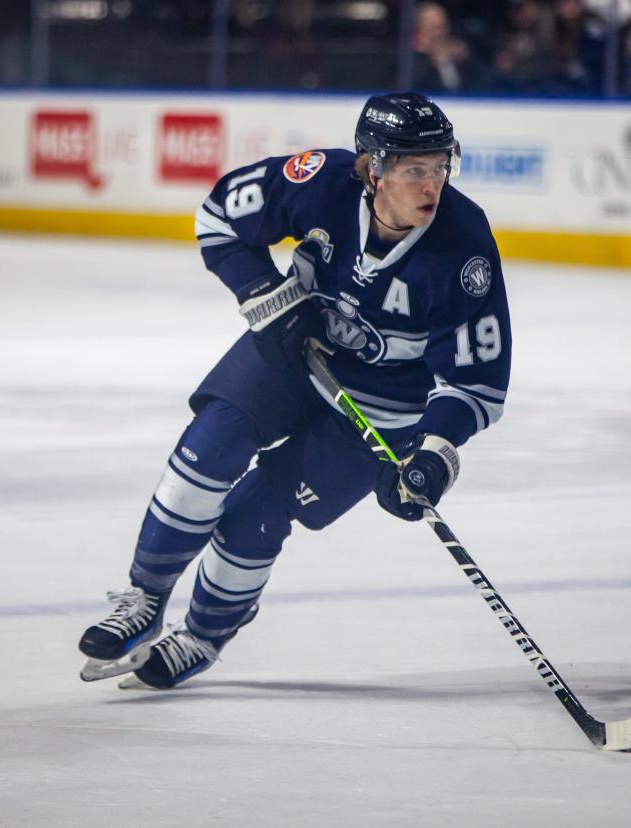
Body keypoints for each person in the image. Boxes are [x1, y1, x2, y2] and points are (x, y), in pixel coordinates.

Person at [77, 92, 513, 690]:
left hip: (383, 409)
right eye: (416, 168)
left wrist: (431, 455)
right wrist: (270, 297)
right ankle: (144, 599)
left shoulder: (463, 245)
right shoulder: (318, 182)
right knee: (208, 446)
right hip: (294, 353)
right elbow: (219, 215)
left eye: (441, 166)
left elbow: (474, 382)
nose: (432, 183)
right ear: (374, 167)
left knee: (257, 514)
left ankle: (203, 638)